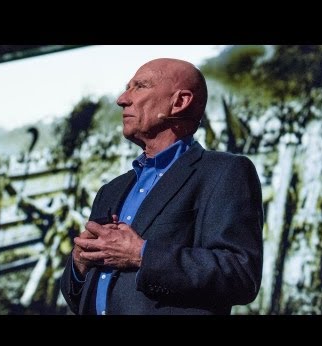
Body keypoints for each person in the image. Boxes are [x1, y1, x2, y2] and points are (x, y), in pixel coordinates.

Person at [60, 58, 263, 315]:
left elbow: (240, 274)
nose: (122, 99)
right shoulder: (111, 190)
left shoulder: (224, 173)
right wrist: (79, 264)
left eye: (140, 86)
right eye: (127, 87)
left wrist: (141, 255)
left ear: (180, 102)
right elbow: (79, 299)